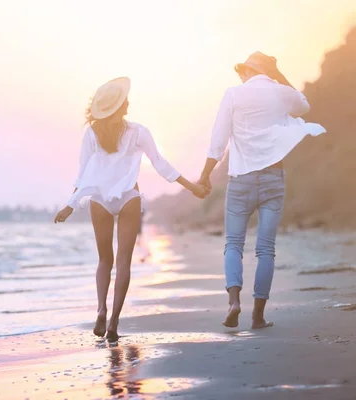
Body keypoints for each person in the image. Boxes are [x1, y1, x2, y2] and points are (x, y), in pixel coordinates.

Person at [54, 77, 208, 341]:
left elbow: (82, 173)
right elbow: (160, 164)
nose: (128, 102)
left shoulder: (91, 133)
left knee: (105, 260)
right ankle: (113, 321)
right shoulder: (138, 131)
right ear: (118, 108)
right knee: (123, 261)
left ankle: (101, 309)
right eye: (125, 100)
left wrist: (71, 204)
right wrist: (192, 186)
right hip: (128, 199)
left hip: (99, 200)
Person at [198, 52, 325, 329]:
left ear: (249, 71)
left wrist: (204, 176)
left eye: (243, 70)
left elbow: (218, 141)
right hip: (272, 178)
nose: (240, 76)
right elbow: (303, 106)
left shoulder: (233, 94)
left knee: (233, 244)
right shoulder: (280, 93)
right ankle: (258, 315)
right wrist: (279, 76)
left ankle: (233, 302)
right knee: (265, 249)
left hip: (241, 180)